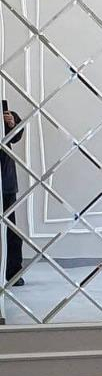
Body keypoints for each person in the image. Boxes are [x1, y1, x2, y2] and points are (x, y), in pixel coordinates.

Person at [2, 102, 25, 286]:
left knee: (10, 229)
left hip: (5, 181)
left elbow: (16, 135)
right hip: (6, 180)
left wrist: (11, 124)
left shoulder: (6, 112)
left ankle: (13, 272)